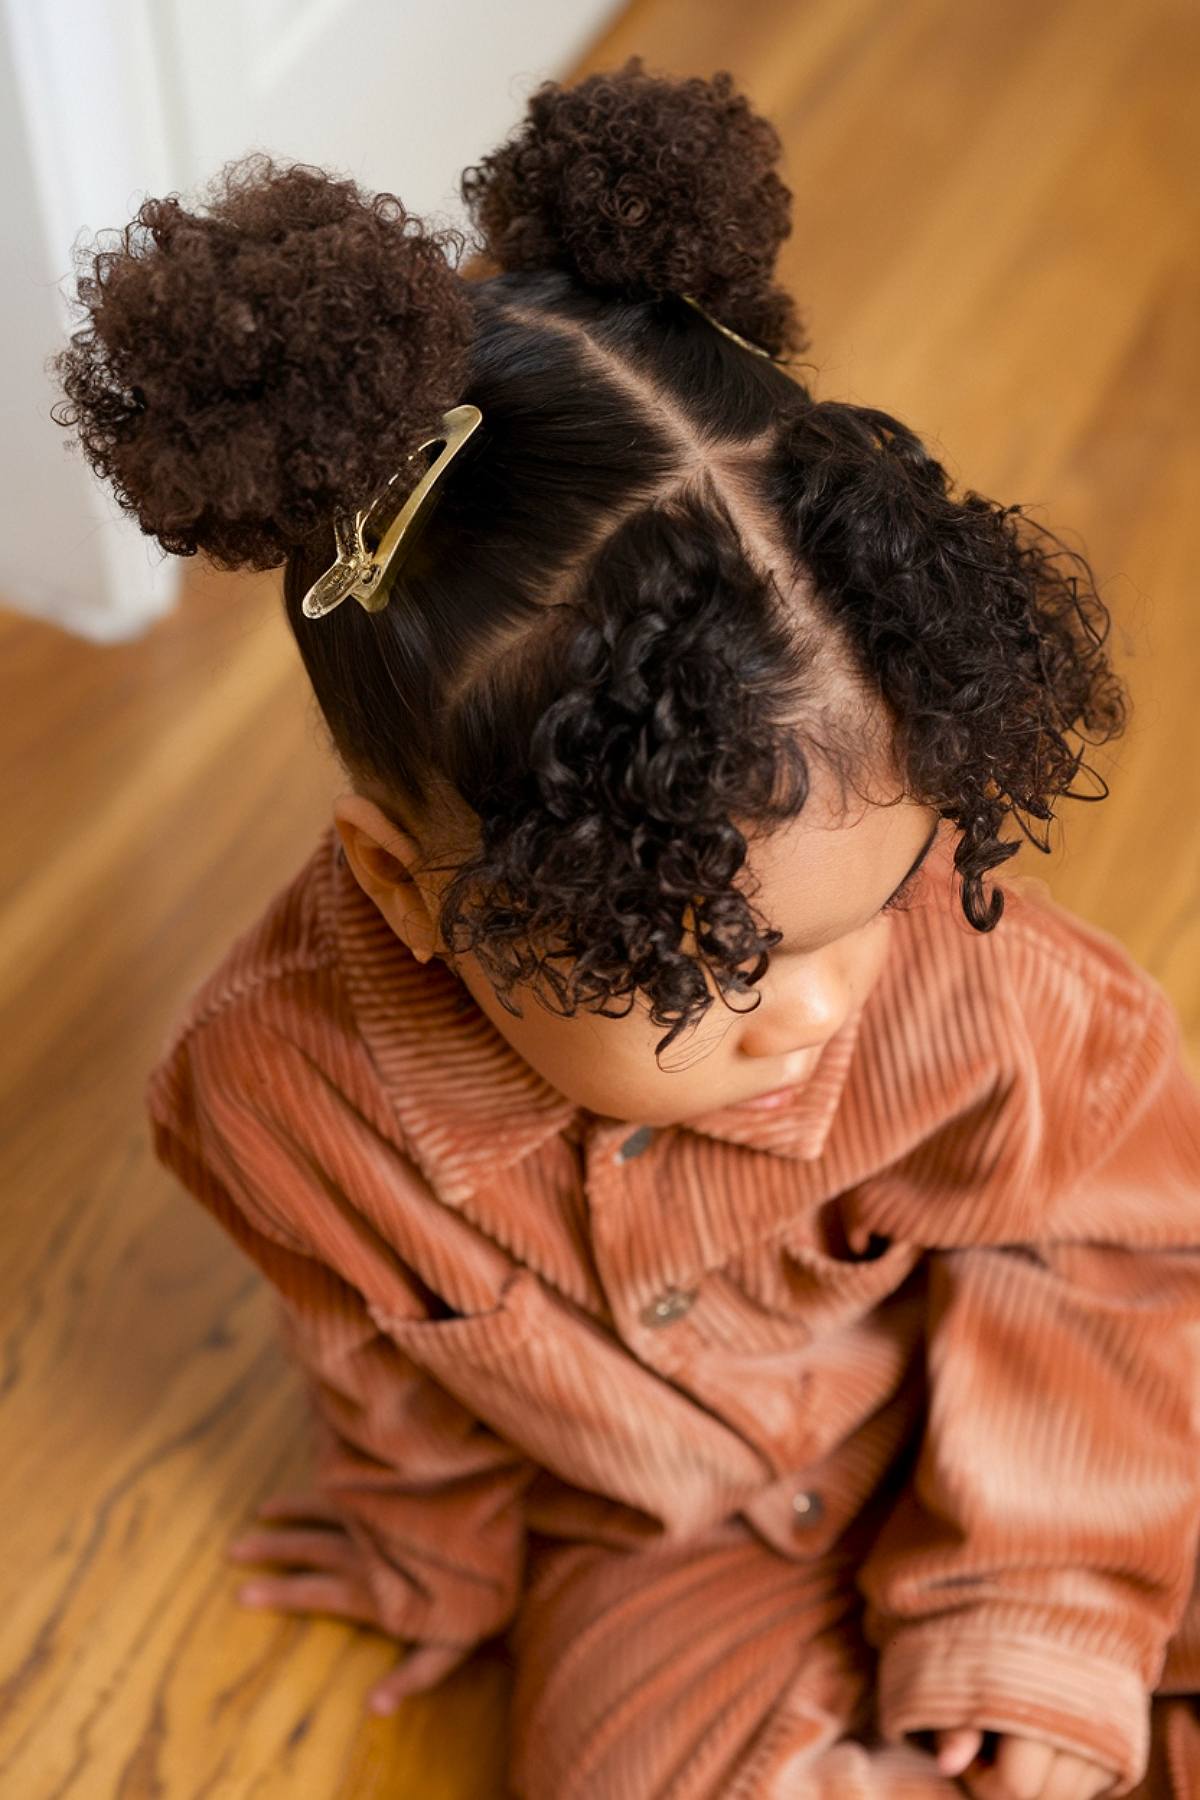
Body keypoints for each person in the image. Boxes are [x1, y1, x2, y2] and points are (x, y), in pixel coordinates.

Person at [49, 55, 1200, 1800]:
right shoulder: (272, 1094)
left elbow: (1111, 1265)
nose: (815, 1012)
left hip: (1044, 1401)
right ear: (404, 893)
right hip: (669, 1534)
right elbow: (379, 1370)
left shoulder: (986, 1001)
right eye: (705, 963)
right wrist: (424, 1559)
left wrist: (1037, 1606)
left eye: (873, 907)